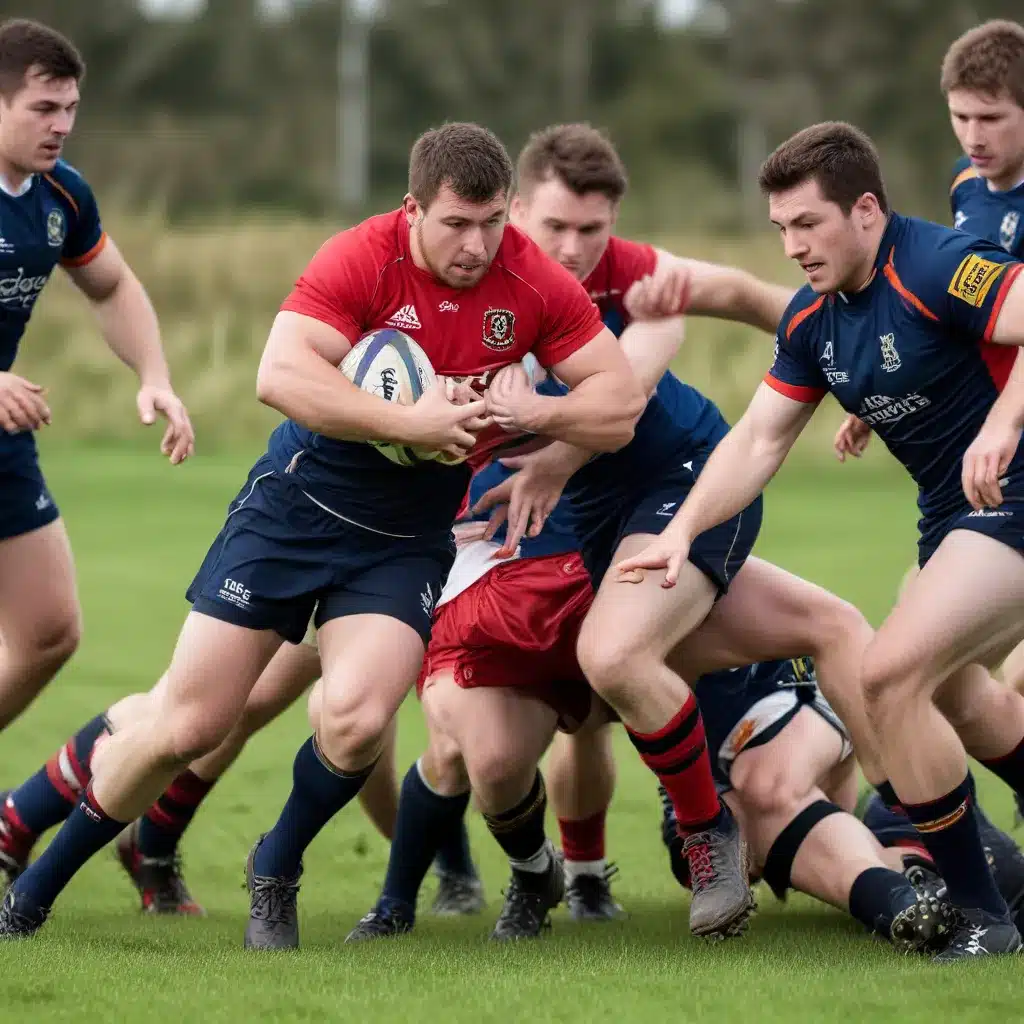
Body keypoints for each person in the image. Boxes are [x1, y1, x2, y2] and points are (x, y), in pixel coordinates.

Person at [0, 120, 644, 945]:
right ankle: (35, 890)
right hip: (297, 509)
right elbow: (280, 373)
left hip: (406, 535)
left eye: (492, 223)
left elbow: (619, 405)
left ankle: (276, 866)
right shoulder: (363, 257)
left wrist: (537, 411)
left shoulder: (533, 280)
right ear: (413, 209)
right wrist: (407, 422)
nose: (476, 245)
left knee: (356, 717)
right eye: (455, 224)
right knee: (188, 724)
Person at [616, 120, 1024, 961]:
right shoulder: (813, 319)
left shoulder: (938, 263)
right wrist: (684, 529)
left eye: (809, 224)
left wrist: (1004, 425)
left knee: (888, 673)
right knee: (960, 696)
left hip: (1012, 491)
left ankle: (982, 916)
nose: (794, 245)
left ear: (866, 210)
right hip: (953, 515)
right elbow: (759, 440)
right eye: (782, 230)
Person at [0, 18, 193, 736]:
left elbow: (110, 287)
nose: (61, 126)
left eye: (70, 109)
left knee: (48, 631)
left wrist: (155, 376)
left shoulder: (63, 196)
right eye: (42, 109)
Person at [659, 657, 955, 952]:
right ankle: (910, 872)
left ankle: (901, 899)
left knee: (768, 788)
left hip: (784, 696)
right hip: (702, 754)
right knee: (719, 855)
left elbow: (833, 626)